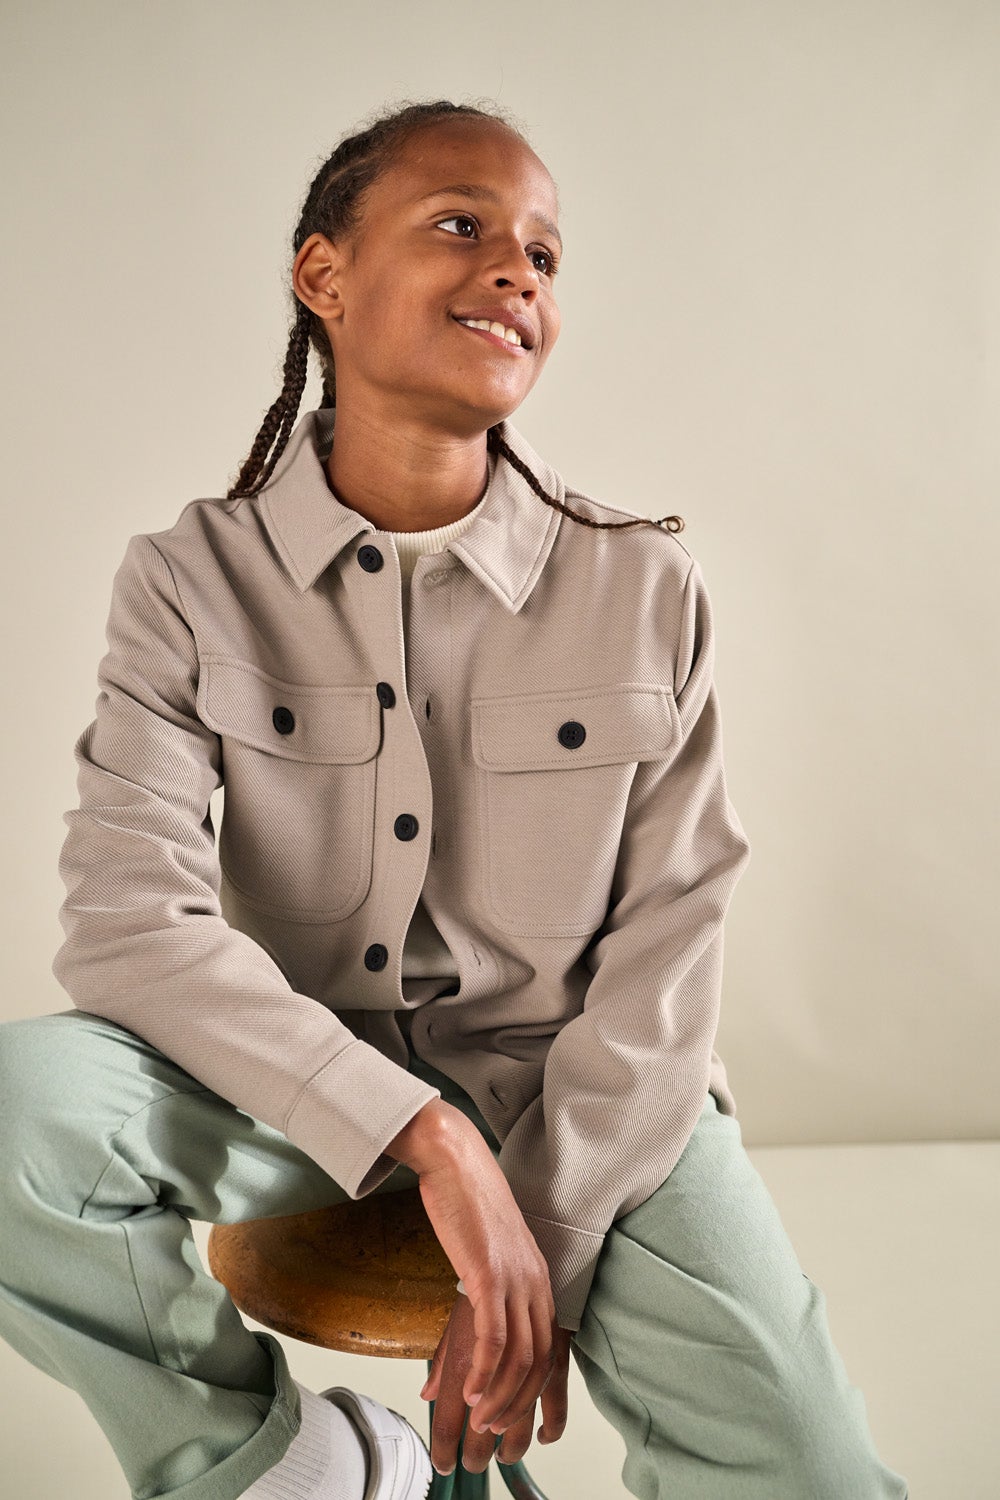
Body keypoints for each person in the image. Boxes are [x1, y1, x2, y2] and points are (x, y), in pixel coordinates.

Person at [0, 98, 910, 1500]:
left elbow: (670, 956)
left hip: (595, 1102)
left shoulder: (644, 587)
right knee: (17, 1112)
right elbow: (129, 928)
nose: (516, 273)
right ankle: (283, 1463)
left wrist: (535, 1230)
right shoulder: (188, 581)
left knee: (817, 1470)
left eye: (543, 254)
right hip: (283, 1089)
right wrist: (420, 1137)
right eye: (462, 225)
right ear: (324, 276)